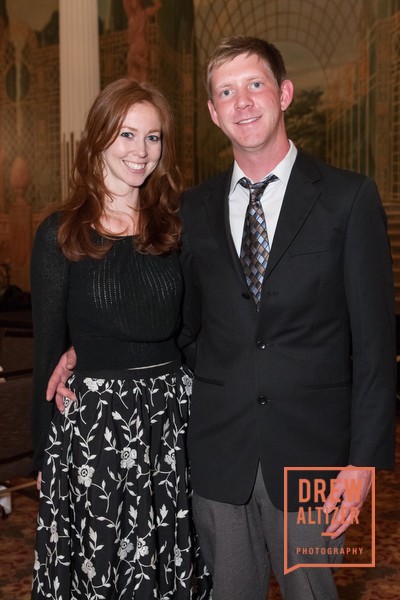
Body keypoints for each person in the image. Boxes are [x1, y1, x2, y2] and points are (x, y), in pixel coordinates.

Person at [47, 37, 397, 600]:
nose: (242, 102)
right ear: (213, 112)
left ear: (282, 93)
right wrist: (85, 352)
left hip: (310, 457)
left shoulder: (347, 199)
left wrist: (362, 464)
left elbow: (377, 346)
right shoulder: (191, 209)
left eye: (254, 85)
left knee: (314, 592)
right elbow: (175, 321)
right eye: (225, 92)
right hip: (215, 449)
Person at [30, 78, 211, 600]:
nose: (141, 151)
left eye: (153, 138)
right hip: (94, 435)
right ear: (98, 139)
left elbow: (190, 333)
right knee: (101, 571)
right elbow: (47, 356)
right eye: (127, 134)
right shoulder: (60, 234)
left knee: (171, 567)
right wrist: (44, 455)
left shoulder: (175, 230)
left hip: (170, 426)